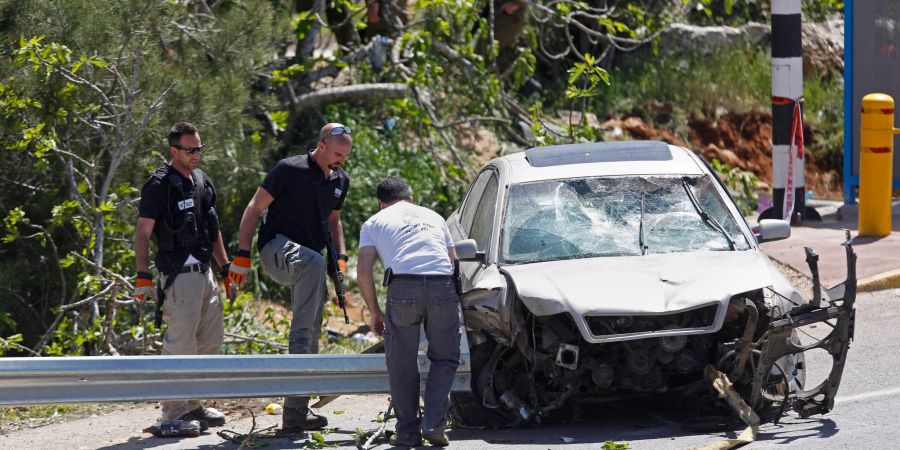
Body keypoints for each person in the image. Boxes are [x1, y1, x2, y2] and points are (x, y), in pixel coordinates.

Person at [228, 123, 352, 431]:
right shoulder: (289, 168)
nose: (341, 161)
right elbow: (254, 208)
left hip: (309, 261)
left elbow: (334, 220)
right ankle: (303, 378)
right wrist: (242, 256)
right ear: (321, 144)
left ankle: (296, 411)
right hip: (276, 250)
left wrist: (342, 257)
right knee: (311, 276)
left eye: (346, 156)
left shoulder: (340, 180)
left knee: (314, 328)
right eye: (337, 154)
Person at [133, 122, 230, 431]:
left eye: (199, 148)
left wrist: (226, 269)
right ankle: (173, 414)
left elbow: (213, 230)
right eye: (190, 150)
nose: (196, 155)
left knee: (210, 342)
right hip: (178, 275)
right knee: (180, 346)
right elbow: (143, 233)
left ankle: (194, 405)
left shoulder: (202, 182)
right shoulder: (159, 185)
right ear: (173, 150)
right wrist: (143, 275)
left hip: (206, 273)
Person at [356, 176, 462, 447]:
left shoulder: (373, 223)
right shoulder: (435, 217)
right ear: (410, 199)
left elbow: (364, 271)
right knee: (445, 358)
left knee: (401, 363)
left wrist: (374, 311)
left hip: (403, 289)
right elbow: (452, 261)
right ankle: (434, 424)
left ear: (381, 203)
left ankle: (407, 432)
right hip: (441, 286)